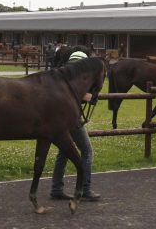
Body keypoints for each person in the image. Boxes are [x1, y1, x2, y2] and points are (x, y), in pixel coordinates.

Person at [49, 50, 101, 202]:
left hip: (60, 121)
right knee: (87, 151)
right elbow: (82, 95)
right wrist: (91, 96)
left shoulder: (62, 75)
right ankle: (85, 188)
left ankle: (56, 188)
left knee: (64, 153)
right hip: (72, 120)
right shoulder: (75, 79)